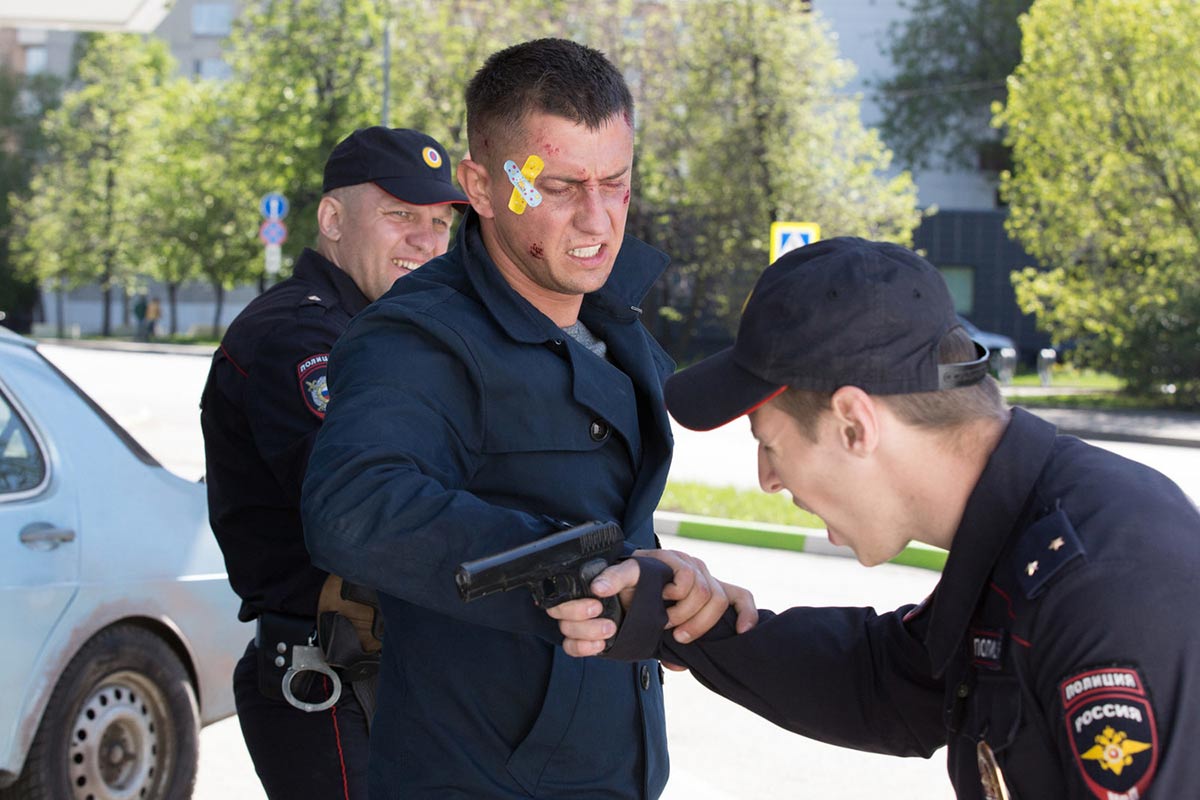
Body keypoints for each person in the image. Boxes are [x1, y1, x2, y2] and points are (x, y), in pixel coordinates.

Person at [550, 236, 1200, 799]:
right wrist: (684, 619)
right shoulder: (1022, 533)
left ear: (855, 425)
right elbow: (892, 682)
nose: (768, 480)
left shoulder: (1107, 590)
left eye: (769, 444)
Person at [301, 38, 750, 799]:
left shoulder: (611, 322)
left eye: (616, 183)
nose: (597, 220)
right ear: (481, 186)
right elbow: (353, 506)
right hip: (478, 777)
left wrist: (667, 590)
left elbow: (611, 521)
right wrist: (574, 574)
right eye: (560, 186)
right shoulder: (422, 335)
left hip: (612, 764)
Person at [199, 126, 466, 800]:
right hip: (329, 682)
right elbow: (368, 508)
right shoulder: (300, 334)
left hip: (386, 674)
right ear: (332, 219)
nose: (426, 240)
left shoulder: (385, 331)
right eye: (400, 214)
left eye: (440, 223)